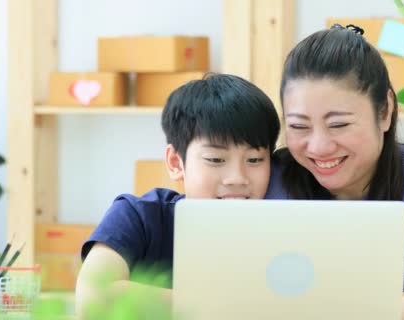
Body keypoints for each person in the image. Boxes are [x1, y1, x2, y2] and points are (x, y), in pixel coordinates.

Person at [267, 23, 404, 319]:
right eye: (299, 126)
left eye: (339, 125)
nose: (319, 147)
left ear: (384, 111)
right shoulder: (271, 180)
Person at [75, 73, 281, 317]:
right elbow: (94, 298)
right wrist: (224, 307)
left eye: (255, 159)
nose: (237, 177)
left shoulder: (281, 226)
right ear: (176, 162)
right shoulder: (139, 215)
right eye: (216, 159)